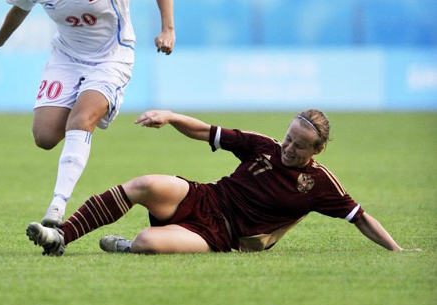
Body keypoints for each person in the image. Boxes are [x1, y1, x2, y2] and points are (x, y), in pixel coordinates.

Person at [0, 0, 175, 227]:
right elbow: (20, 9)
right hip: (66, 57)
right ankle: (81, 118)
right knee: (44, 137)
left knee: (80, 120)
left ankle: (56, 208)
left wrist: (167, 29)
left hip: (112, 57)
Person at [26, 109, 413, 256]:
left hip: (220, 236)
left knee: (147, 243)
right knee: (144, 184)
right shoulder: (262, 145)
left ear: (319, 149)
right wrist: (172, 116)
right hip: (204, 197)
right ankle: (61, 236)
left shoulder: (320, 184)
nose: (288, 147)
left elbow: (360, 216)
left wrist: (395, 250)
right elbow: (207, 132)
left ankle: (127, 246)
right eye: (289, 137)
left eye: (299, 145)